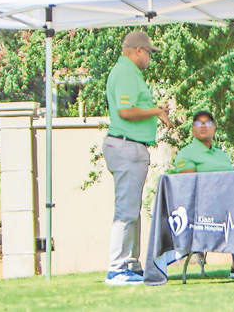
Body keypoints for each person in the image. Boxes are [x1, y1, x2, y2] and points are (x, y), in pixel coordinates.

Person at [103, 31, 173, 286]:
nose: (150, 59)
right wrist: (156, 111)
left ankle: (131, 265)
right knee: (126, 210)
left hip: (130, 146)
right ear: (138, 50)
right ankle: (116, 268)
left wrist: (154, 111)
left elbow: (132, 108)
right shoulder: (126, 72)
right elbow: (125, 111)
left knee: (131, 209)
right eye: (149, 53)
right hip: (126, 146)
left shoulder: (129, 72)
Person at [175, 110, 234, 279]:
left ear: (214, 129)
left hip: (229, 202)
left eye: (207, 123)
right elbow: (188, 187)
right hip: (203, 208)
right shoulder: (186, 153)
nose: (203, 126)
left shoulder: (222, 155)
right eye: (198, 123)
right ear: (193, 130)